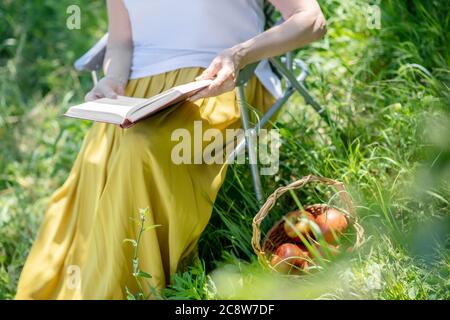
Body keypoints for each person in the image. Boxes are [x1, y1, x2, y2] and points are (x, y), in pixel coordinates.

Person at [16, 0, 326, 299]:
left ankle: (128, 287)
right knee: (104, 161)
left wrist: (240, 54)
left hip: (219, 81)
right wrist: (112, 78)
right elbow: (121, 41)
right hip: (137, 95)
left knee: (143, 148)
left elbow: (310, 19)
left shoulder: (232, 65)